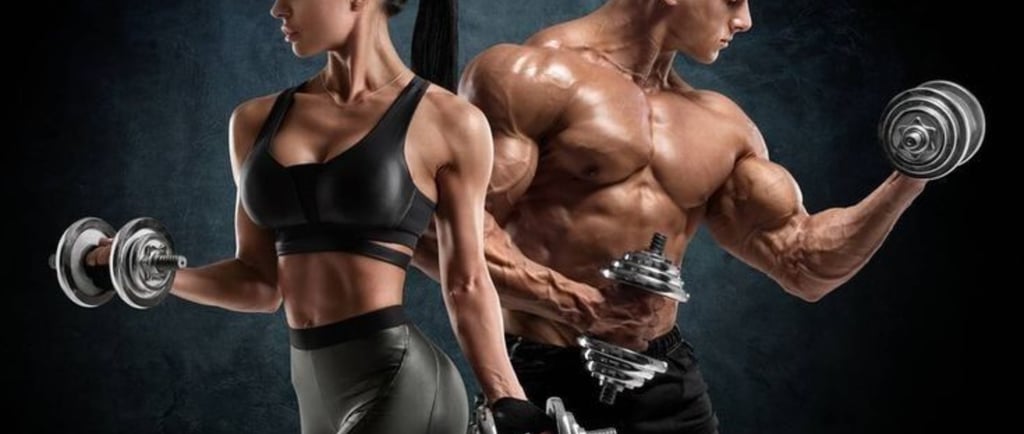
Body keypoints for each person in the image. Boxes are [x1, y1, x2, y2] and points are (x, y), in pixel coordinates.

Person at [412, 1, 931, 433]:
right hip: (544, 377)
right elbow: (436, 234)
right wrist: (578, 305)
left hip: (666, 382)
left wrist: (912, 174)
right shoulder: (528, 77)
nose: (745, 19)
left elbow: (805, 264)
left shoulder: (721, 125)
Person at [84, 0, 552, 433]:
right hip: (314, 391)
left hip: (401, 383)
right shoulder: (254, 121)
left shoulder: (449, 122)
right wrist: (149, 271)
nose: (276, 8)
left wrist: (507, 397)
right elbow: (260, 283)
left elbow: (465, 282)